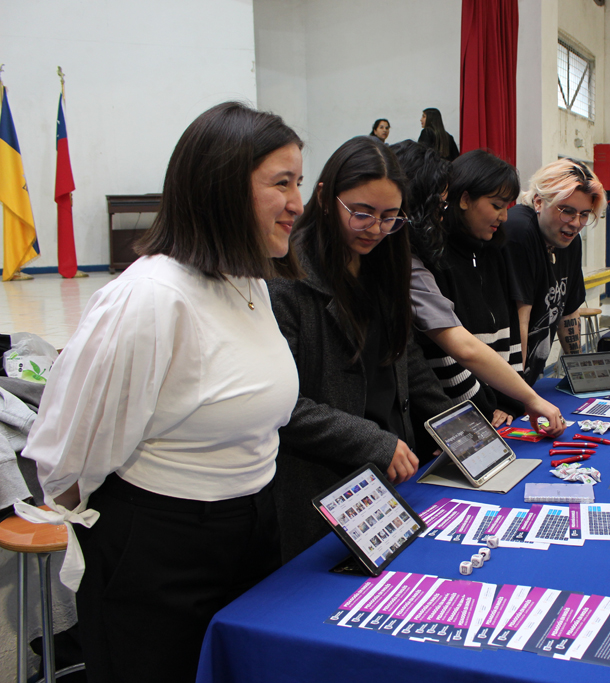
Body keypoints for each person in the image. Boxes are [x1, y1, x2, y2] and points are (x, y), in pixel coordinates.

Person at [22, 102, 304, 682]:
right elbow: (70, 453)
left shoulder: (245, 280)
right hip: (161, 548)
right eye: (282, 183)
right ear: (223, 186)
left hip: (248, 525)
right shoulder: (151, 297)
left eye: (298, 182)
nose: (298, 203)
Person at [268, 135, 454, 562]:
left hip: (391, 473)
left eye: (390, 217)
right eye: (362, 213)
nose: (376, 229)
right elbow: (283, 405)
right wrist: (372, 440)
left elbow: (407, 362)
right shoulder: (286, 280)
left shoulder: (382, 263)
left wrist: (457, 428)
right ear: (324, 197)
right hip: (325, 484)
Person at [392, 141, 567, 433]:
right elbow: (453, 351)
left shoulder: (495, 250)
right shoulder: (427, 257)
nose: (504, 217)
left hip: (483, 412)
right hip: (458, 414)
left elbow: (510, 333)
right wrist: (494, 406)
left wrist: (514, 399)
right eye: (496, 206)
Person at [504, 158, 606, 385]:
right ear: (539, 202)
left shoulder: (569, 240)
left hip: (528, 379)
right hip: (504, 381)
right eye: (567, 211)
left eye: (584, 214)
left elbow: (568, 312)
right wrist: (518, 394)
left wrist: (580, 378)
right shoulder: (520, 231)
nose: (576, 223)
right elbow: (521, 320)